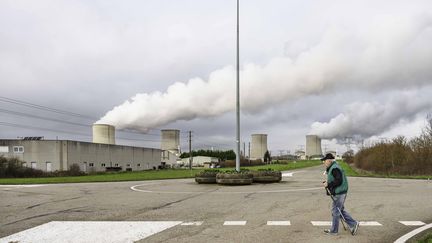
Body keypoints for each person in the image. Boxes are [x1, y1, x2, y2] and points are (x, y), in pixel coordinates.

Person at [321, 153, 359, 236]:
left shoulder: (334, 168)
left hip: (340, 192)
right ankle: (353, 224)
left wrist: (328, 184)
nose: (324, 162)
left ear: (329, 160)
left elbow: (339, 180)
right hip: (341, 191)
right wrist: (328, 183)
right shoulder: (333, 167)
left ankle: (335, 231)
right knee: (339, 210)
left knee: (335, 211)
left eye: (324, 161)